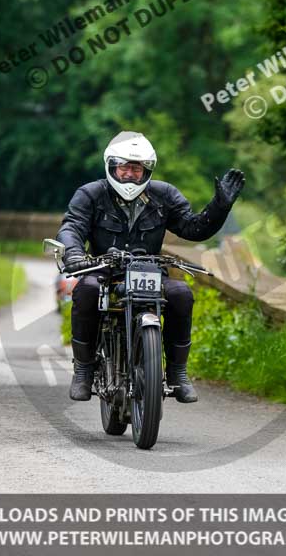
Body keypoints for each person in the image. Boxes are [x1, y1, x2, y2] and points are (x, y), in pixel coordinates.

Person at [57, 131, 245, 403]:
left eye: (136, 168)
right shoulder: (91, 194)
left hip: (149, 272)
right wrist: (74, 254)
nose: (130, 174)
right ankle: (83, 370)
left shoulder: (164, 194)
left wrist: (220, 207)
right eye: (124, 167)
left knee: (181, 294)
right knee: (85, 291)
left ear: (146, 171)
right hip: (103, 271)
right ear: (112, 166)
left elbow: (193, 228)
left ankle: (178, 373)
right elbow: (72, 226)